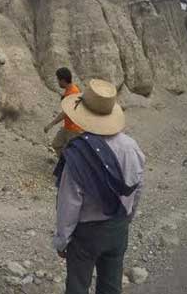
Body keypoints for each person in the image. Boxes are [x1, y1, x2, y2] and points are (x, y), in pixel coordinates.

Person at [53, 79, 145, 294]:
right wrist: (126, 218)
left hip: (87, 233)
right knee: (111, 286)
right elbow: (138, 188)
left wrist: (62, 240)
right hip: (118, 227)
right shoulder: (131, 147)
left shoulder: (78, 152)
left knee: (77, 285)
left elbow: (69, 202)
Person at [44, 67, 83, 156]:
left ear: (63, 80)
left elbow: (65, 113)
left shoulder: (73, 93)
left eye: (58, 79)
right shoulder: (69, 90)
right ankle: (64, 161)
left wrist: (51, 124)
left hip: (74, 129)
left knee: (72, 152)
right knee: (56, 144)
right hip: (68, 127)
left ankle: (68, 165)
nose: (58, 82)